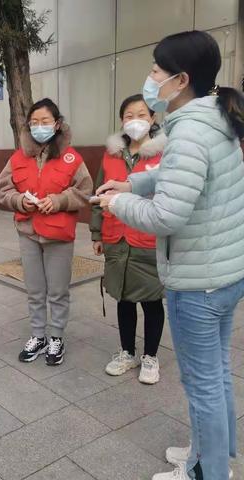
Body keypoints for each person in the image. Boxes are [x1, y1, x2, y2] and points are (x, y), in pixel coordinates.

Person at [94, 31, 244, 480]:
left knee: (202, 386)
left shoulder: (190, 132)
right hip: (222, 273)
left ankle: (207, 472)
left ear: (181, 80)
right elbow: (174, 177)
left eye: (157, 71)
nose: (150, 79)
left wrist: (115, 204)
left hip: (197, 282)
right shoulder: (213, 119)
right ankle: (212, 455)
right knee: (216, 374)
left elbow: (167, 215)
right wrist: (130, 184)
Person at [0, 98, 93, 366]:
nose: (39, 127)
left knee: (58, 291)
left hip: (59, 235)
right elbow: (5, 189)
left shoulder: (72, 157)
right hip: (28, 232)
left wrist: (60, 200)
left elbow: (85, 190)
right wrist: (19, 201)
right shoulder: (18, 157)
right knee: (35, 290)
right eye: (34, 123)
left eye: (45, 122)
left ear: (57, 123)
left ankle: (57, 338)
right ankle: (38, 335)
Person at [90, 94, 166, 385]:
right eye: (129, 116)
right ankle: (127, 352)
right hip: (116, 236)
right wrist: (96, 233)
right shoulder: (111, 154)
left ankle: (150, 356)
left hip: (148, 237)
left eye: (142, 115)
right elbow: (99, 194)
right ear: (122, 121)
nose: (135, 121)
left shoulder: (164, 154)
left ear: (153, 118)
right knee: (123, 297)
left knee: (150, 299)